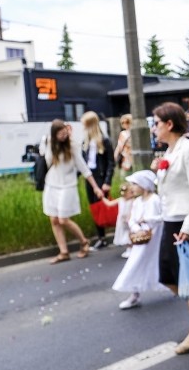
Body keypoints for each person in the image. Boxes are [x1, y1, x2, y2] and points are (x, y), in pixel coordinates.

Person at [151, 102, 189, 355]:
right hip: (171, 219)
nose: (154, 128)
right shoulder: (169, 152)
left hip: (188, 221)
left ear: (169, 124)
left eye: (156, 123)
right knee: (168, 276)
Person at [42, 120, 104, 264]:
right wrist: (52, 144)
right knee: (54, 220)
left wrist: (95, 187)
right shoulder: (50, 143)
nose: (63, 136)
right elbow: (47, 160)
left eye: (65, 133)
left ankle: (83, 241)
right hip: (52, 183)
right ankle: (63, 251)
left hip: (68, 185)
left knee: (63, 219)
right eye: (60, 134)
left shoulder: (72, 145)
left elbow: (83, 168)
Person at [112, 170, 167, 309]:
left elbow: (162, 217)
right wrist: (136, 228)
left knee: (160, 263)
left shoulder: (155, 200)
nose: (132, 188)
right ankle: (134, 293)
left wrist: (147, 221)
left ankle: (173, 285)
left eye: (135, 184)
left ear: (144, 185)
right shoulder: (137, 201)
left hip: (154, 239)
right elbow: (133, 219)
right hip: (141, 240)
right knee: (135, 264)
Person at [81, 111, 115, 249]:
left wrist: (107, 182)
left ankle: (113, 233)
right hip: (90, 178)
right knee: (94, 208)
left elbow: (111, 163)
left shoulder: (104, 141)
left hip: (101, 178)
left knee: (103, 206)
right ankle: (101, 237)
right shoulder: (85, 142)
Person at [104, 182, 135, 258]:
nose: (132, 193)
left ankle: (132, 248)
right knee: (124, 234)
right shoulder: (120, 200)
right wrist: (102, 198)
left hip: (130, 220)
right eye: (130, 192)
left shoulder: (133, 201)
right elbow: (109, 204)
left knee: (130, 233)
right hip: (121, 220)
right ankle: (129, 248)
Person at [114, 113, 133, 178]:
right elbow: (119, 146)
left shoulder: (136, 132)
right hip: (126, 158)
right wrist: (115, 156)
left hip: (135, 157)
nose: (125, 124)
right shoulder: (123, 133)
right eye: (122, 122)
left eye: (127, 122)